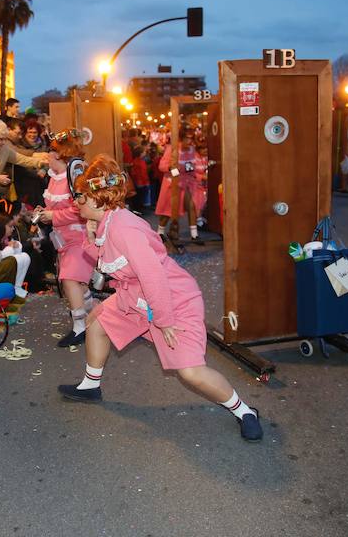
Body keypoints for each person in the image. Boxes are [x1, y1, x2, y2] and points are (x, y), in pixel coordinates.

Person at [58, 155, 263, 443]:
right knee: (97, 320)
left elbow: (153, 276)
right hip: (137, 297)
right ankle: (91, 384)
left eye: (79, 196)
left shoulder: (123, 227)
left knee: (190, 372)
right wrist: (92, 239)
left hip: (172, 300)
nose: (75, 202)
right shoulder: (107, 223)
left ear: (98, 198)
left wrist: (164, 320)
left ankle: (244, 411)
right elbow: (110, 264)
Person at [36, 129, 96, 347]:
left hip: (77, 237)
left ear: (60, 154)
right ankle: (96, 314)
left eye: (50, 151)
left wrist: (53, 215)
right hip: (61, 238)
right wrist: (44, 212)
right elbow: (55, 206)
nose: (47, 155)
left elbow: (81, 209)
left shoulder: (74, 177)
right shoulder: (54, 178)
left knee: (69, 279)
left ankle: (80, 326)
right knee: (77, 282)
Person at [0, 120, 48, 217]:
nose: (3, 142)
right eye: (0, 139)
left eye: (5, 139)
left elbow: (21, 159)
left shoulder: (4, 149)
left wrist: (40, 162)